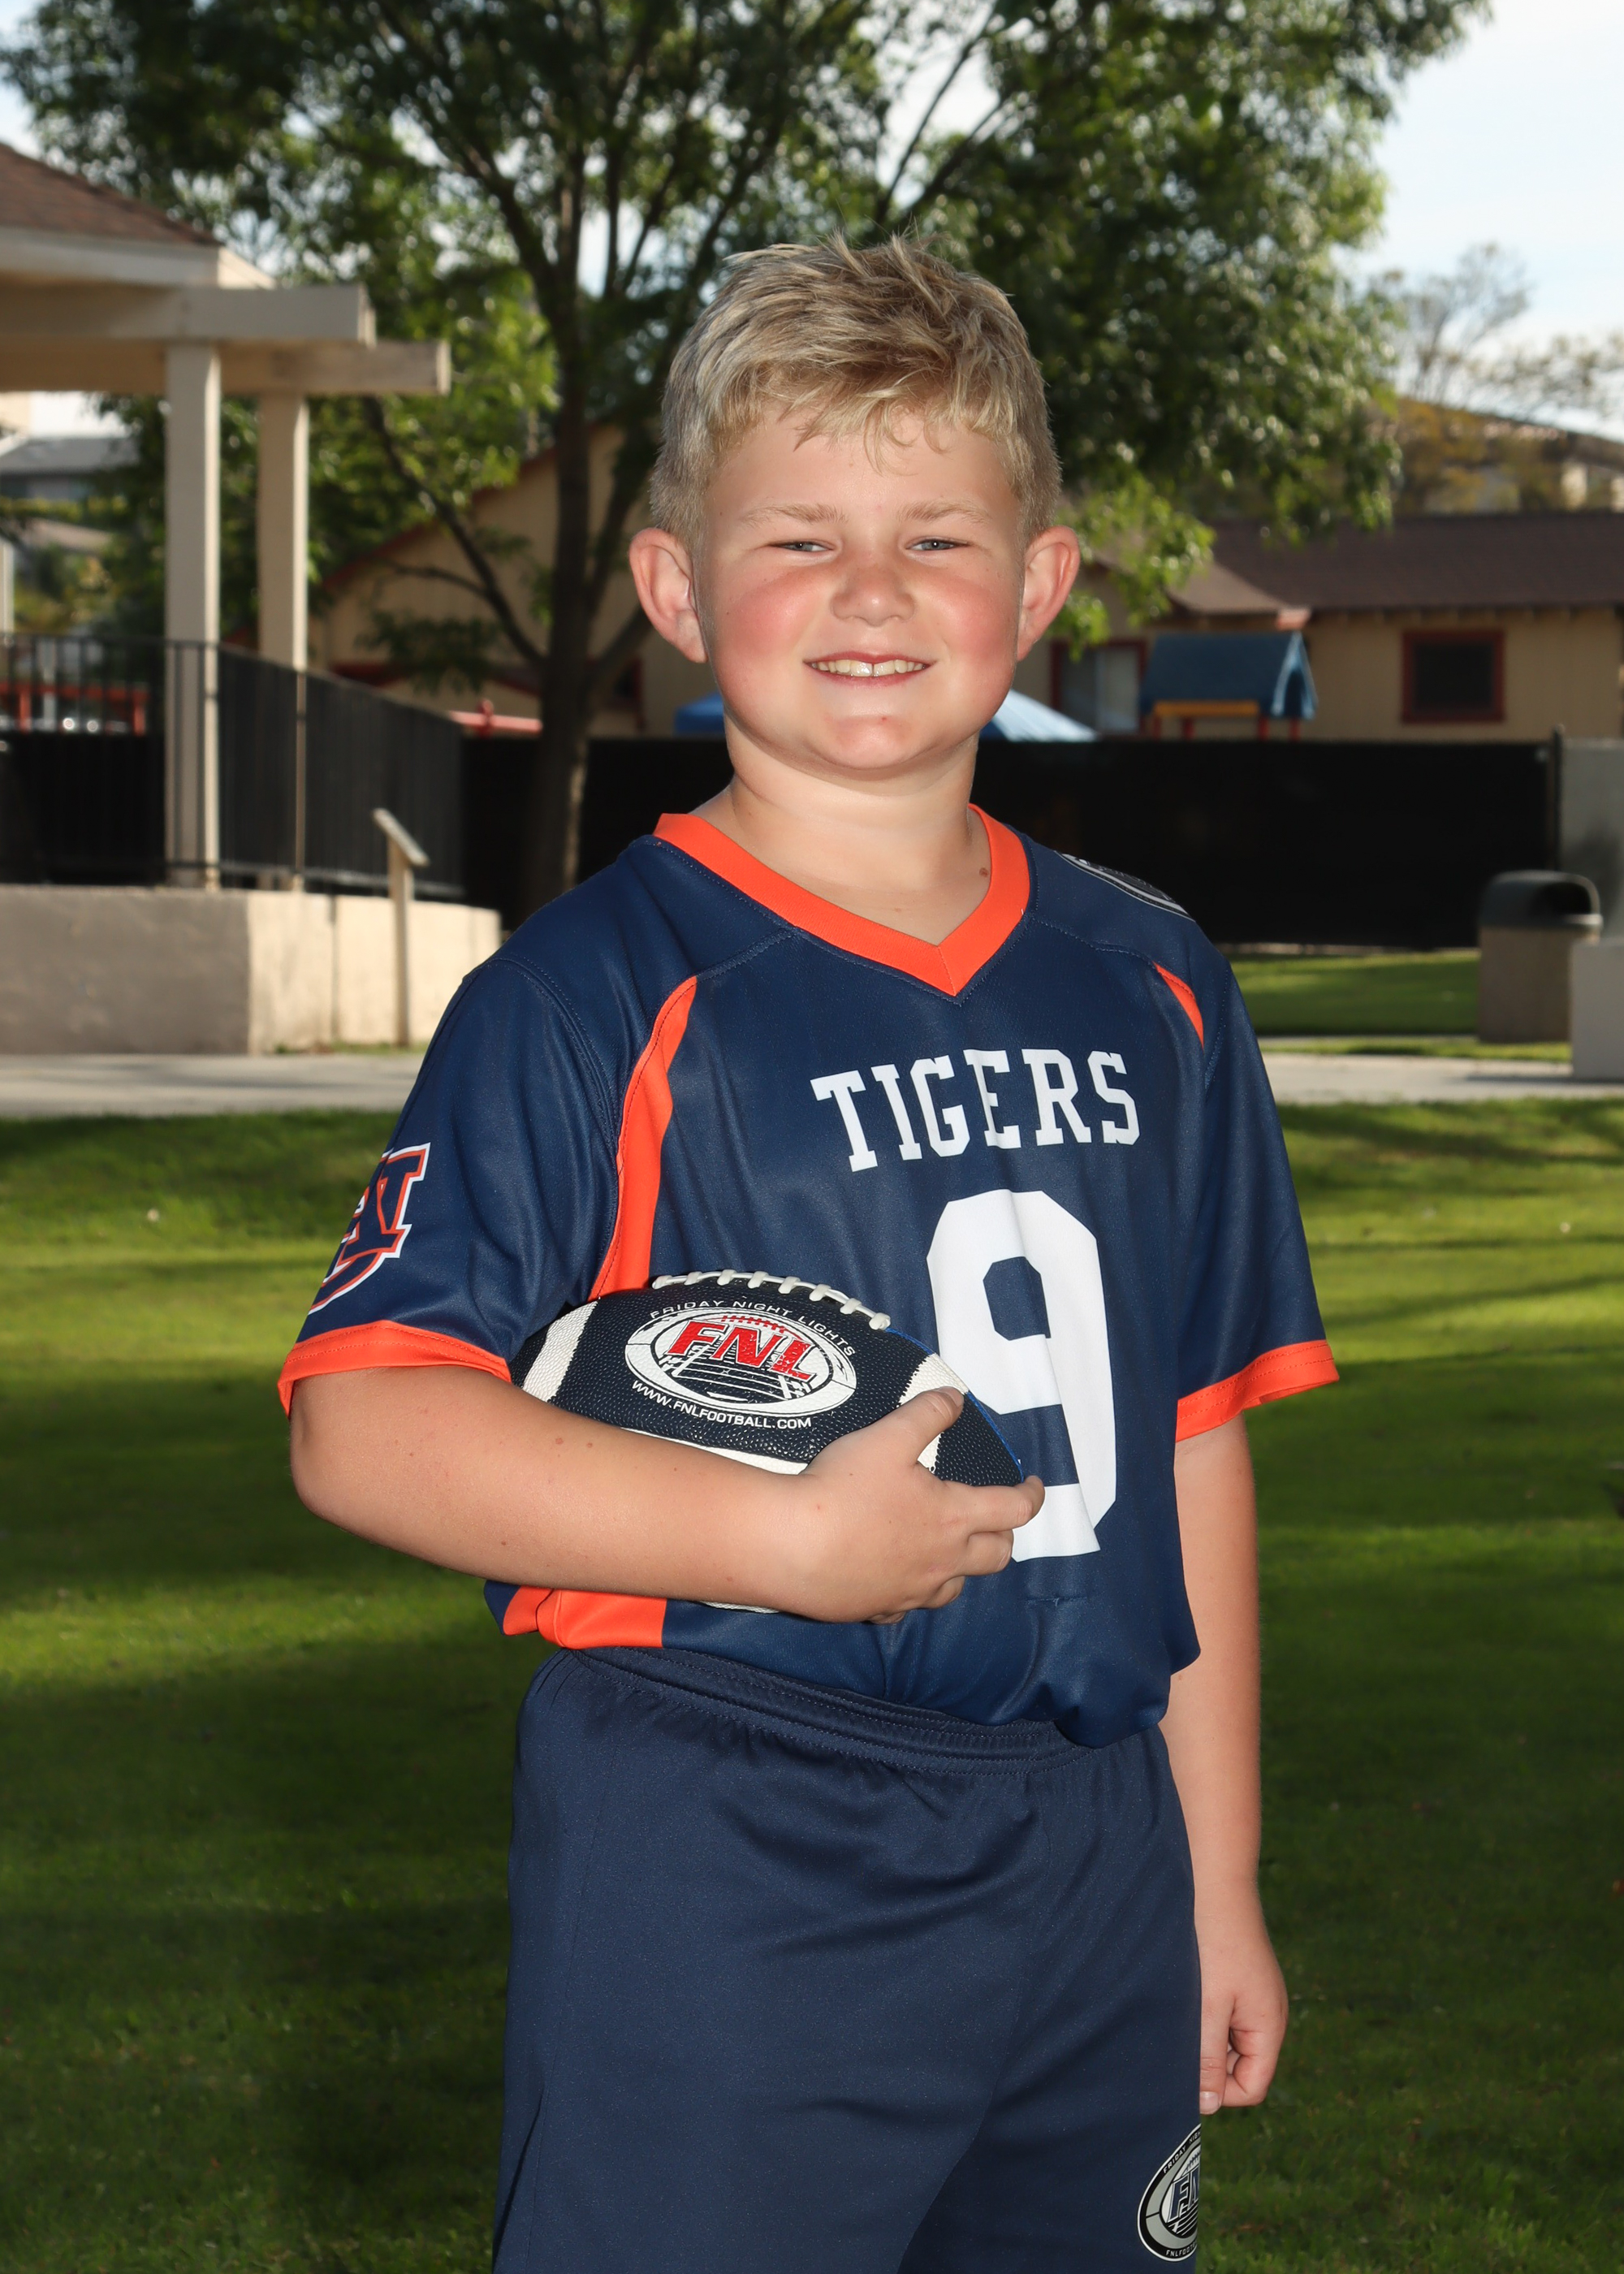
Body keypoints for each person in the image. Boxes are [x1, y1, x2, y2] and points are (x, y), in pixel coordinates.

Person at [283, 236, 1337, 2273]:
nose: (871, 593)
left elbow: (1190, 1442)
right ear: (677, 587)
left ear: (1039, 583)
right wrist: (784, 1538)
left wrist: (1217, 1869)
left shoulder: (1155, 981)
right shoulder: (593, 994)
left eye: (935, 537)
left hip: (1094, 1834)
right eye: (799, 539)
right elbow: (364, 1425)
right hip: (734, 1825)